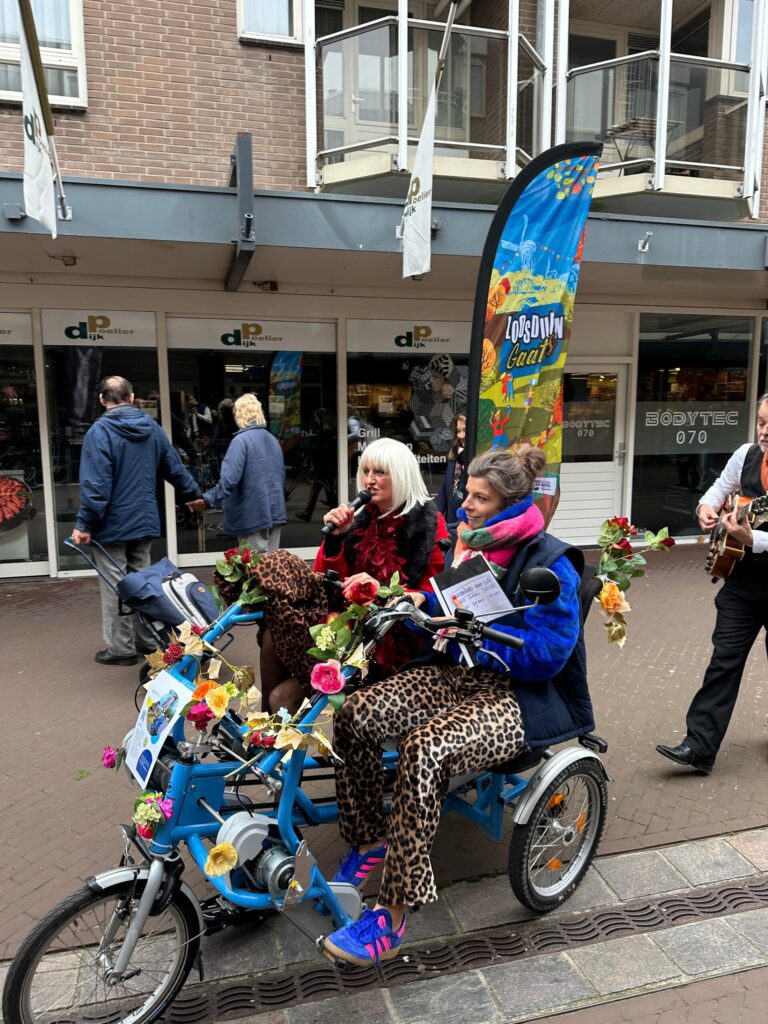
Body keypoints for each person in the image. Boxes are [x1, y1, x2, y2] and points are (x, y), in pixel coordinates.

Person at [321, 446, 592, 965]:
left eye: (479, 498)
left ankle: (393, 912)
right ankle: (369, 840)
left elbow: (550, 655)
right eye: (466, 493)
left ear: (510, 505)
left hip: (513, 694)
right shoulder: (469, 543)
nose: (464, 504)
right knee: (355, 714)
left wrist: (484, 634)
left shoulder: (550, 562)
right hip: (455, 672)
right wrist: (424, 601)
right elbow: (448, 596)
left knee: (424, 748)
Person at [258, 437, 450, 714]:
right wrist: (336, 538)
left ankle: (274, 729)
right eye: (366, 471)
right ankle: (265, 731)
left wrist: (378, 589)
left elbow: (429, 595)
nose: (369, 480)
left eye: (380, 472)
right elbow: (323, 579)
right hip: (345, 627)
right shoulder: (360, 517)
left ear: (402, 475)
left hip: (389, 638)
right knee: (272, 635)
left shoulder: (428, 524)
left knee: (281, 698)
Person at [656, 394, 768, 774]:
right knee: (723, 662)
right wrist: (706, 505)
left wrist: (754, 539)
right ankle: (699, 747)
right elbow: (721, 486)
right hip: (742, 581)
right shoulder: (746, 454)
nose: (764, 431)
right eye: (761, 422)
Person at [71, 375, 201, 666]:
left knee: (115, 585)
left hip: (111, 525)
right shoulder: (152, 428)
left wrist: (85, 524)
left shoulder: (99, 431)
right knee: (143, 584)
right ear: (131, 398)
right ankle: (147, 640)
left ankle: (121, 648)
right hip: (143, 520)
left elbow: (96, 485)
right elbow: (174, 466)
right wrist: (192, 495)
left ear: (102, 400)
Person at [186, 393, 286, 553]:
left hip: (251, 512)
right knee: (271, 562)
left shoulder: (241, 441)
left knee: (254, 562)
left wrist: (207, 499)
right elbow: (280, 475)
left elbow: (229, 481)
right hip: (275, 510)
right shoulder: (273, 440)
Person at [295, 407, 338, 522]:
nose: (314, 420)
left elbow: (319, 449)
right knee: (326, 490)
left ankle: (308, 513)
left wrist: (312, 460)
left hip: (323, 465)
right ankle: (333, 512)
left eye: (315, 418)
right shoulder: (332, 431)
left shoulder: (323, 432)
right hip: (328, 465)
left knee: (321, 489)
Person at [434, 410, 466, 525]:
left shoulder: (482, 461)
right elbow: (445, 489)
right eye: (458, 431)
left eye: (465, 430)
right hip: (451, 523)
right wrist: (434, 519)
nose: (461, 435)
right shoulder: (455, 454)